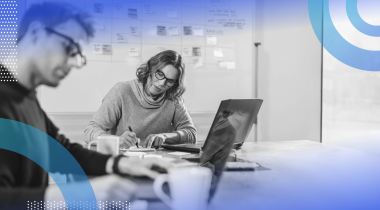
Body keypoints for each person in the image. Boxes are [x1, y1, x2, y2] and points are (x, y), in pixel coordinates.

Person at [0, 2, 172, 209]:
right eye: (70, 48)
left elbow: (61, 150)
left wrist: (123, 164)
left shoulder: (24, 97)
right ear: (36, 32)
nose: (74, 63)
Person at [84, 50, 197, 149]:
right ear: (151, 69)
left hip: (157, 162)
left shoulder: (173, 98)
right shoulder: (121, 91)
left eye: (170, 81)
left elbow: (191, 134)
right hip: (122, 162)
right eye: (160, 74)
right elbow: (90, 131)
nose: (162, 83)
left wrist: (165, 137)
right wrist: (116, 140)